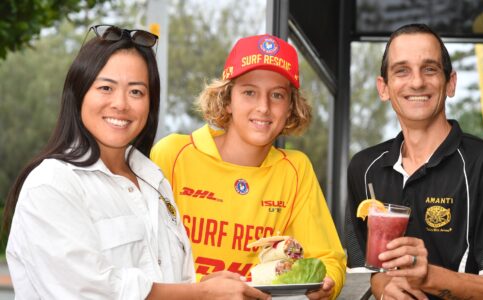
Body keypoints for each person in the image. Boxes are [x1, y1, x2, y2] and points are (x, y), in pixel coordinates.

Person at [2, 24, 269, 300]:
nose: (121, 104)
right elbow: (88, 292)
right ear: (79, 93)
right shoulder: (52, 184)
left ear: (150, 105)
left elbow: (175, 283)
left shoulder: (154, 181)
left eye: (136, 92)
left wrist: (208, 288)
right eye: (106, 87)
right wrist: (199, 292)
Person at [346, 23, 483, 300]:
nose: (416, 82)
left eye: (430, 69)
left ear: (450, 83)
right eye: (402, 70)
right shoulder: (364, 168)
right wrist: (383, 286)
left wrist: (428, 277)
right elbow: (368, 273)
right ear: (384, 87)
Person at [151, 34, 346, 299]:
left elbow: (329, 259)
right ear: (227, 99)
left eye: (277, 95)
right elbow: (143, 255)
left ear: (290, 108)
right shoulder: (173, 154)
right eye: (249, 92)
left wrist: (326, 285)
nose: (263, 107)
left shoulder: (296, 169)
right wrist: (200, 289)